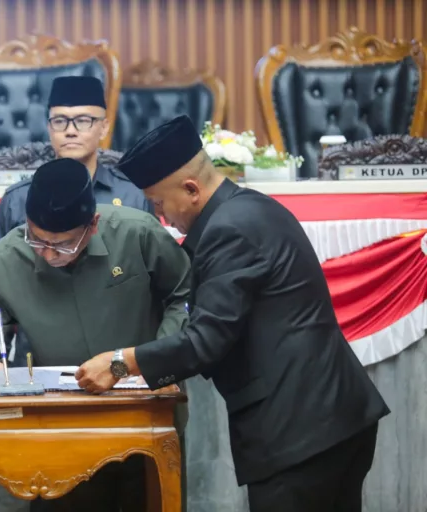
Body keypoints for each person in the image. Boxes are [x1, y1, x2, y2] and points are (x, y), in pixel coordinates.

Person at [75, 115, 391, 512]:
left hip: (301, 432)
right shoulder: (246, 209)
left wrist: (121, 363)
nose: (160, 215)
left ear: (190, 189)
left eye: (158, 202)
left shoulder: (231, 230)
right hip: (331, 419)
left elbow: (207, 341)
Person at [0, 157, 191, 512]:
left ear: (93, 224)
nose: (49, 254)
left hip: (144, 413)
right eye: (37, 241)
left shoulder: (137, 233)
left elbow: (184, 295)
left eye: (64, 245)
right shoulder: (4, 259)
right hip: (60, 425)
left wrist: (156, 355)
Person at [0, 75, 154, 366]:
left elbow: (157, 286)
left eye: (84, 121)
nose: (70, 131)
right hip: (38, 361)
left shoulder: (133, 196)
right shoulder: (17, 200)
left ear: (104, 127)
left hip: (119, 361)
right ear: (49, 128)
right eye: (60, 121)